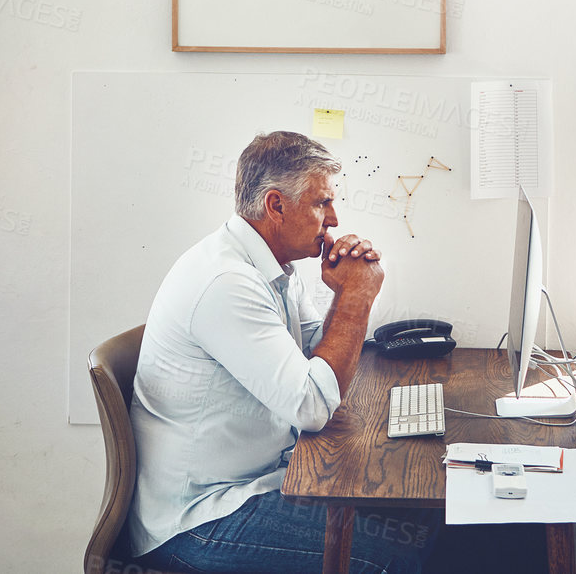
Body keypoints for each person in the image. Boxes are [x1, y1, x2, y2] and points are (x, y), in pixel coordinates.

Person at [128, 130, 436, 574]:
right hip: (200, 517)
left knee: (426, 517)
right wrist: (355, 298)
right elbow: (313, 405)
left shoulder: (271, 266)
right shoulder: (227, 283)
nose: (333, 218)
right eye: (321, 203)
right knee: (393, 561)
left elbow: (316, 353)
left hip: (260, 481)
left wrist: (343, 293)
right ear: (276, 206)